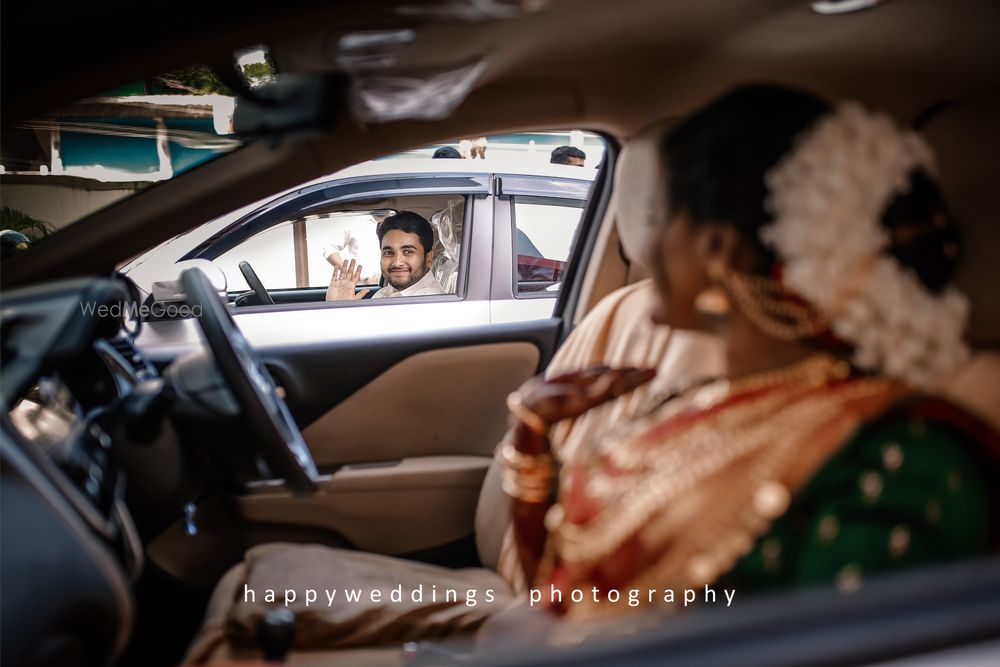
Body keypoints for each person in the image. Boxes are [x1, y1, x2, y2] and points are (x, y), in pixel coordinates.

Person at [501, 85, 1000, 619]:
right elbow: (564, 599)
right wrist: (531, 439)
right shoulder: (701, 401)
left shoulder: (900, 462)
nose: (648, 245)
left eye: (665, 216)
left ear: (717, 248)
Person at [325, 211, 445, 300]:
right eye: (388, 253)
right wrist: (340, 307)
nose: (397, 262)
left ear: (428, 258)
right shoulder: (386, 293)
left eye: (408, 252)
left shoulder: (429, 301)